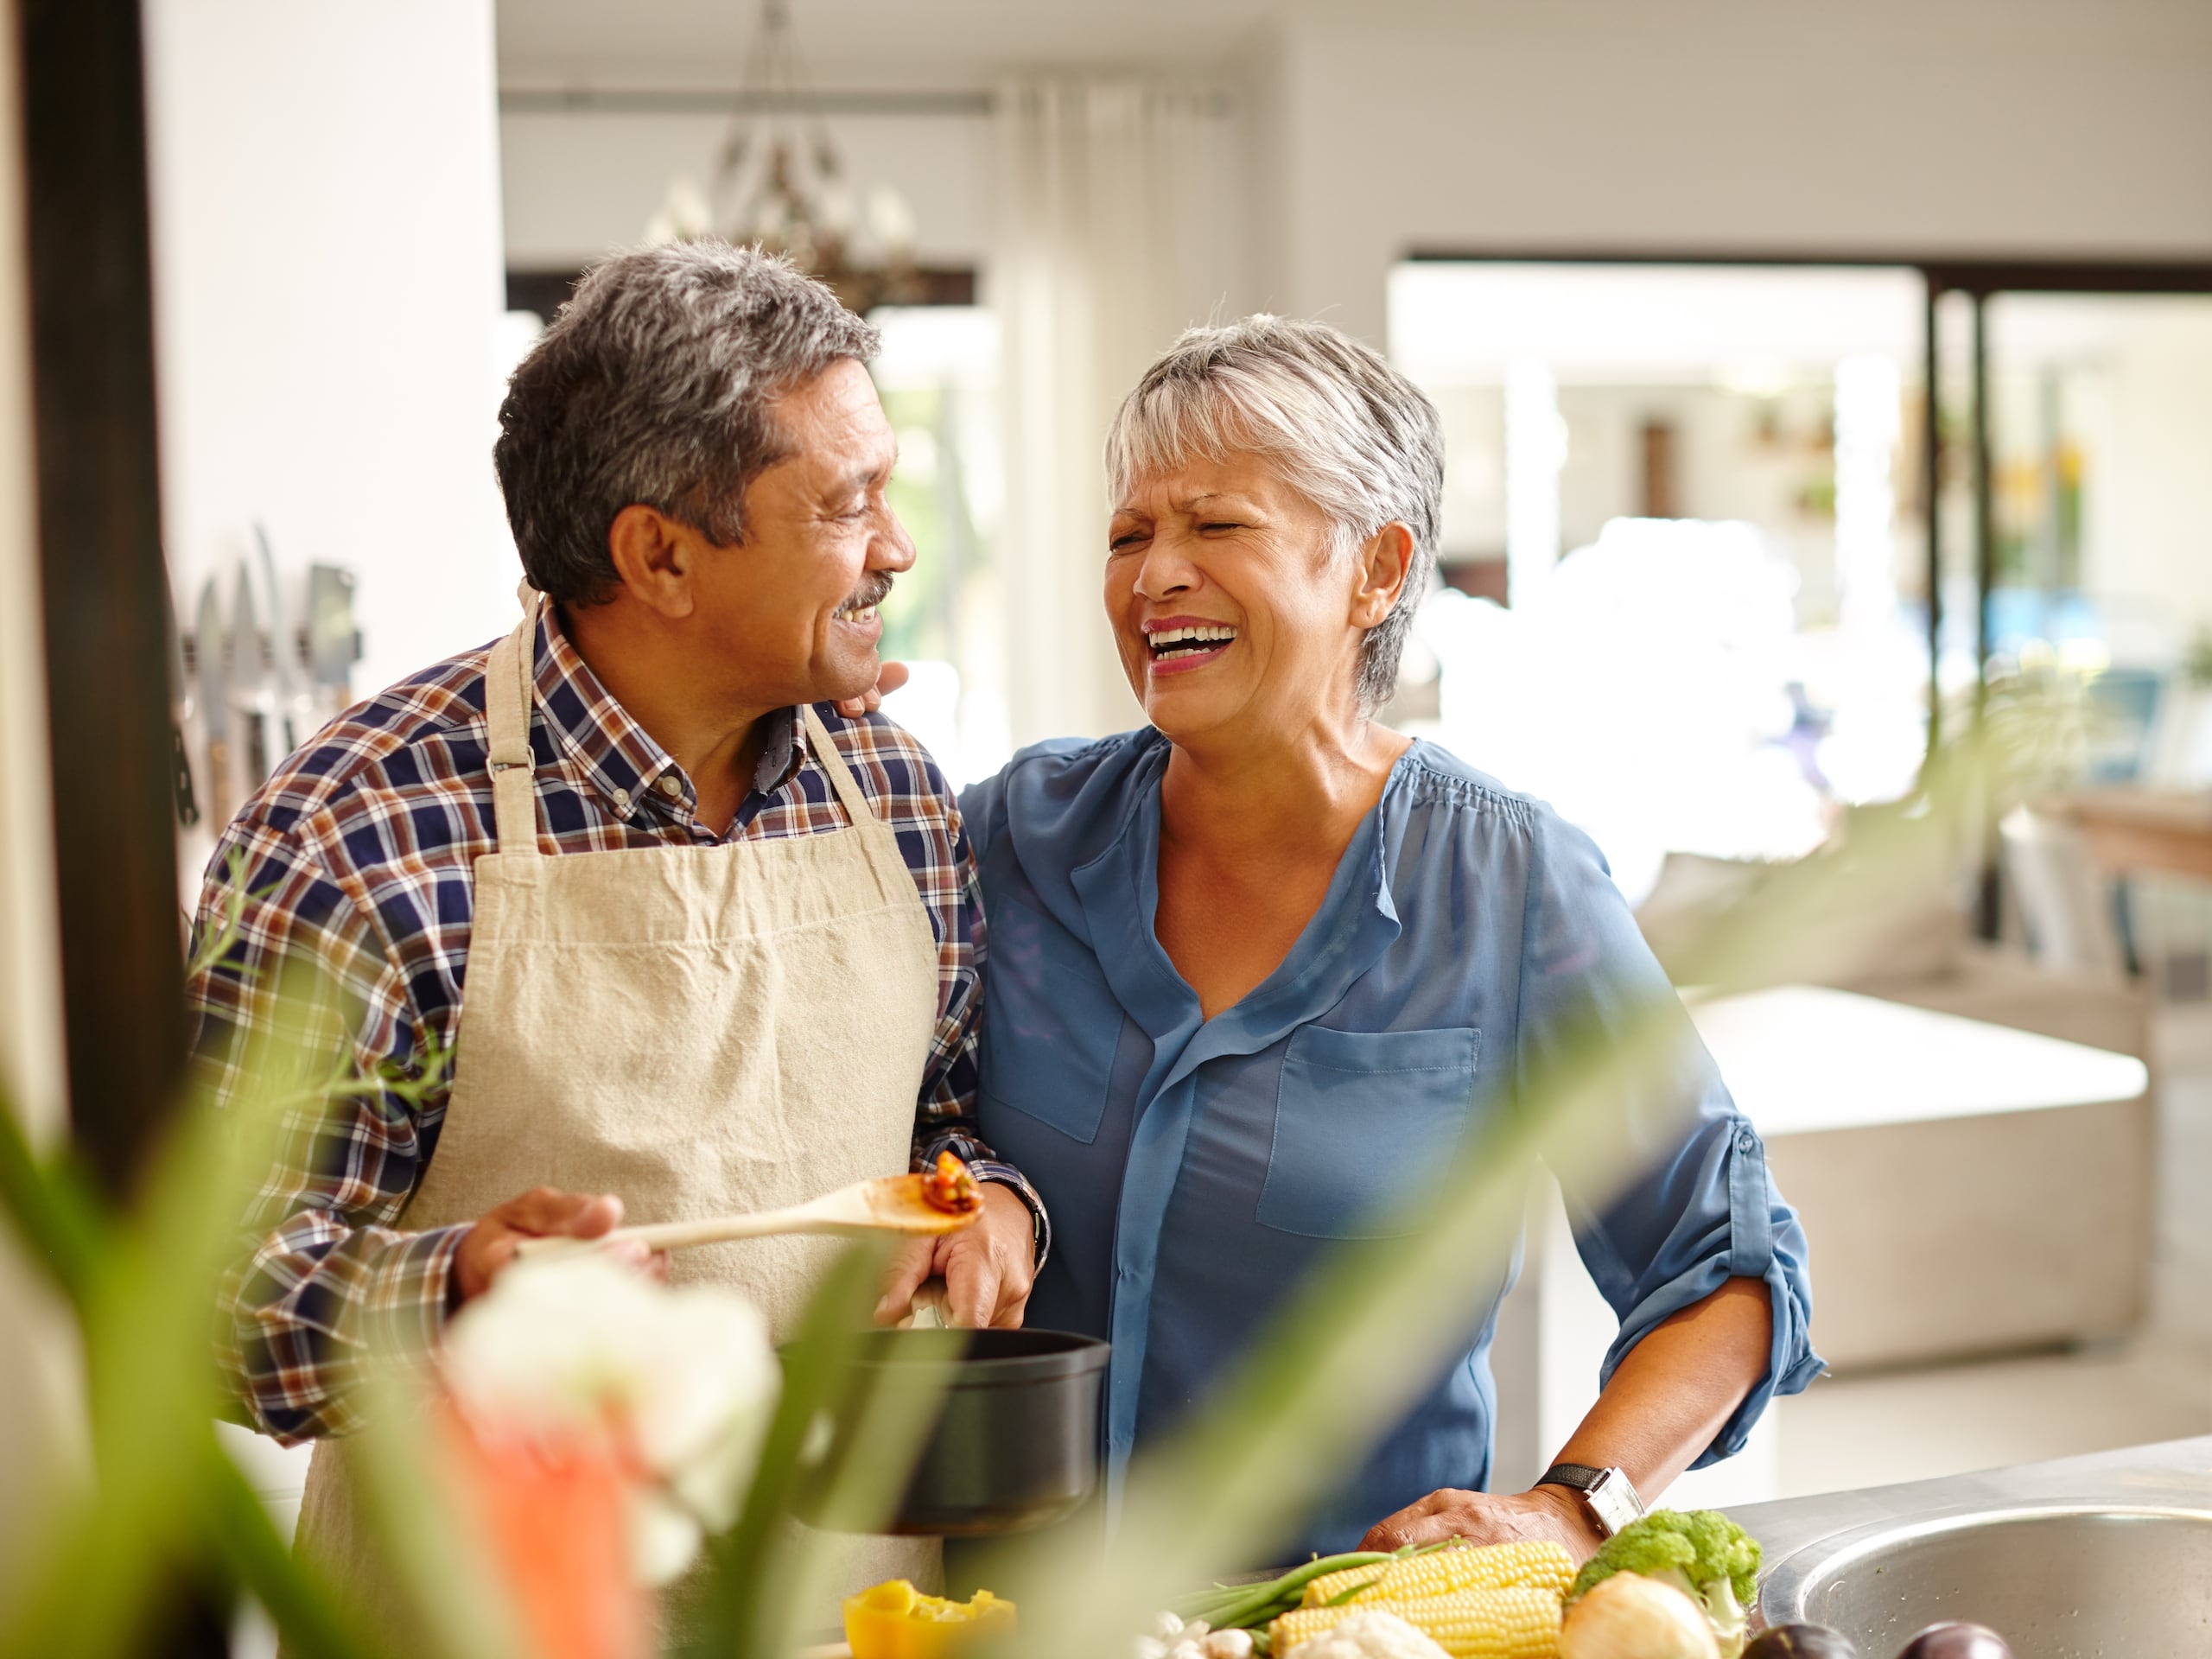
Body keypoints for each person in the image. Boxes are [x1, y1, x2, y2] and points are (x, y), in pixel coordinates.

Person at [184, 242, 1043, 1621]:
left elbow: (942, 1123)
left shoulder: (893, 792)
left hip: (846, 1613)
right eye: (847, 503)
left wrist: (989, 1202)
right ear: (660, 555)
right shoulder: (359, 831)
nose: (897, 546)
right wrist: (455, 1292)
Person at [957, 316, 1820, 1561]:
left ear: (1374, 570)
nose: (1153, 578)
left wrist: (1574, 1510)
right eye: (1128, 536)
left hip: (1341, 1629)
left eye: (1216, 525)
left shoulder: (1512, 884)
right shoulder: (1015, 838)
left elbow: (1728, 1271)